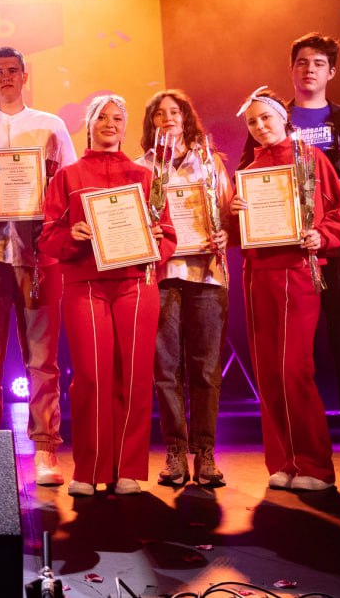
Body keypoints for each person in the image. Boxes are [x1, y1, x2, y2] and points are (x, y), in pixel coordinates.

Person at [241, 34, 340, 482]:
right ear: (291, 70)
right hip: (288, 262)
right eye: (301, 62)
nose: (309, 69)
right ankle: (297, 454)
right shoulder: (267, 117)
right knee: (290, 362)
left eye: (318, 63)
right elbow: (250, 187)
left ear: (331, 72)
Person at [39, 94, 175, 496]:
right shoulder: (68, 177)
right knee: (90, 377)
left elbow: (168, 236)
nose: (110, 123)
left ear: (125, 126)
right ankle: (89, 468)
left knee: (134, 376)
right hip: (86, 284)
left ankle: (128, 468)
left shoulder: (145, 177)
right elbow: (48, 236)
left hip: (135, 283)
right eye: (102, 117)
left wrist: (155, 238)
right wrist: (72, 235)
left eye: (117, 117)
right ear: (89, 124)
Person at [231, 87, 340, 493]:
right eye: (252, 122)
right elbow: (235, 234)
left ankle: (314, 464)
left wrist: (322, 236)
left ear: (284, 117)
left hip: (298, 271)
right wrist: (232, 213)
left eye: (265, 117)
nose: (259, 126)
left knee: (294, 370)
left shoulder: (310, 158)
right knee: (268, 372)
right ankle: (284, 460)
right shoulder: (249, 170)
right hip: (257, 274)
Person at [0, 47, 75, 485]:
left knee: (42, 359)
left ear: (25, 76)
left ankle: (45, 449)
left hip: (38, 252)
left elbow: (70, 184)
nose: (6, 77)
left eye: (13, 70)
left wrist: (46, 200)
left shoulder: (51, 125)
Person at [136, 90, 233, 488]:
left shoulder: (210, 163)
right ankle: (175, 451)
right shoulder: (141, 167)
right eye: (159, 114)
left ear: (186, 118)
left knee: (205, 369)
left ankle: (205, 452)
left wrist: (226, 233)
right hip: (161, 275)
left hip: (206, 273)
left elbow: (229, 213)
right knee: (165, 369)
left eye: (174, 112)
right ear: (151, 123)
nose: (168, 118)